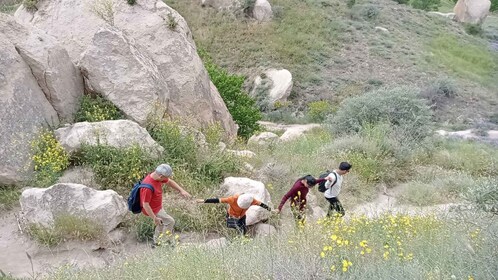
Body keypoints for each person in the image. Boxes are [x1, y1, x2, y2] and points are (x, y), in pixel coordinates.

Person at [140, 164, 192, 247]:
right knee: (170, 221)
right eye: (165, 177)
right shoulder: (147, 187)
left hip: (157, 206)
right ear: (161, 176)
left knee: (161, 222)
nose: (166, 179)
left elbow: (170, 182)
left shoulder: (156, 176)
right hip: (151, 209)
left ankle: (156, 242)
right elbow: (145, 205)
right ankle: (165, 241)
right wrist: (154, 218)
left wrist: (181, 190)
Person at [196, 193, 273, 235]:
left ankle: (242, 239)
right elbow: (217, 200)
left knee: (243, 230)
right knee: (231, 228)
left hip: (242, 217)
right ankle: (232, 236)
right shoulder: (232, 199)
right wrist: (203, 201)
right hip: (231, 216)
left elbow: (261, 204)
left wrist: (271, 210)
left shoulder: (251, 200)